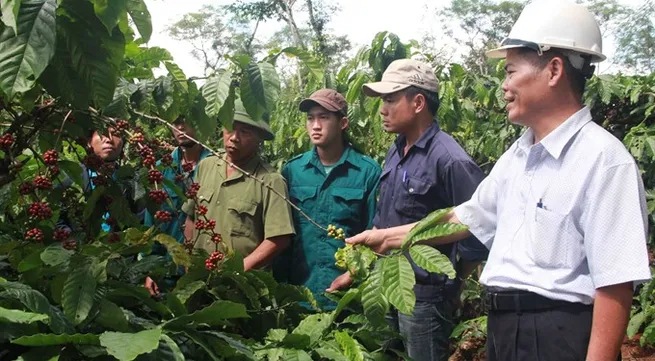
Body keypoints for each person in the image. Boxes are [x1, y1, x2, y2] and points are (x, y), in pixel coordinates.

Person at [347, 2, 651, 360]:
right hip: (506, 330)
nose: (503, 86)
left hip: (558, 336)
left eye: (510, 71)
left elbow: (615, 283)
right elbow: (465, 217)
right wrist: (386, 238)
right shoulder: (518, 156)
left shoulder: (603, 160)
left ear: (553, 70)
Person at [356, 58, 488, 361]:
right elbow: (387, 215)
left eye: (390, 99)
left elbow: (479, 228)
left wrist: (451, 284)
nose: (382, 109)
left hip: (426, 297)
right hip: (389, 284)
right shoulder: (396, 148)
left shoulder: (449, 159)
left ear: (417, 102)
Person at [275, 89, 381, 309]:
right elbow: (284, 237)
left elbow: (375, 235)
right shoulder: (293, 170)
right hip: (299, 296)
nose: (315, 125)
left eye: (323, 117)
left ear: (342, 123)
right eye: (310, 118)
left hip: (348, 298)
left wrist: (352, 276)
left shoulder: (367, 172)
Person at [180, 100, 295, 272]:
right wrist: (188, 261)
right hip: (200, 277)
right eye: (231, 128)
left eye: (245, 132)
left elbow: (279, 238)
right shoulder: (206, 166)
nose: (234, 137)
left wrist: (237, 271)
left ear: (259, 138)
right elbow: (191, 217)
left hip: (241, 284)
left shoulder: (270, 181)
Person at [143, 117, 211, 296]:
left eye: (186, 120)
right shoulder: (160, 171)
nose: (180, 127)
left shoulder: (217, 167)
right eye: (175, 122)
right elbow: (152, 225)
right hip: (167, 272)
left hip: (205, 270)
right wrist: (151, 269)